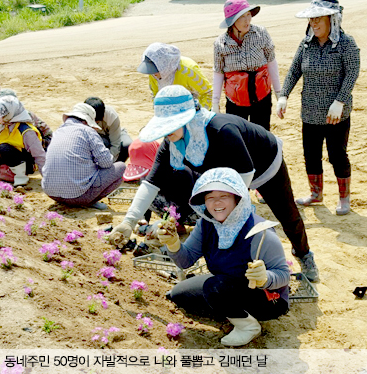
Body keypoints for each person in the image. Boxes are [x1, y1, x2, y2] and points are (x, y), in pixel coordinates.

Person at [110, 85, 319, 282]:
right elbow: (151, 183)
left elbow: (245, 173)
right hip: (223, 174)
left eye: (172, 125)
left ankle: (304, 254)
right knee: (216, 216)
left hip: (263, 165)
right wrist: (128, 222)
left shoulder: (222, 130)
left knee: (287, 214)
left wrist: (229, 208)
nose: (167, 132)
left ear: (189, 118)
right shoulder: (171, 142)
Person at [158, 167, 289, 346]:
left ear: (238, 198)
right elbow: (185, 260)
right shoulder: (206, 225)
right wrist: (173, 244)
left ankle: (247, 325)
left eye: (224, 196)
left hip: (266, 298)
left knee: (214, 288)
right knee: (179, 295)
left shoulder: (259, 231)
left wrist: (265, 278)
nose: (216, 203)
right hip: (227, 284)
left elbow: (283, 275)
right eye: (210, 197)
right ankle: (229, 307)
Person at [276, 0, 360, 216]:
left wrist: (340, 101)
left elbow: (352, 72)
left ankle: (344, 197)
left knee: (337, 155)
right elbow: (294, 70)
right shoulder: (306, 44)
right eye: (311, 19)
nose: (313, 23)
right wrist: (284, 95)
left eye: (318, 19)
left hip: (335, 114)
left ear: (331, 19)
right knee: (310, 154)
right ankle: (316, 193)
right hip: (310, 112)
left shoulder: (346, 43)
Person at [213, 0, 281, 132]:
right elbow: (218, 71)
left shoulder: (261, 33)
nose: (247, 20)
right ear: (232, 21)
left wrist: (279, 93)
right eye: (241, 16)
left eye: (248, 14)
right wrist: (215, 102)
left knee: (261, 137)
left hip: (262, 97)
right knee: (238, 139)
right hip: (235, 101)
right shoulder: (220, 44)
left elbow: (271, 61)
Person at [41, 103, 125, 210]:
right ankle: (90, 201)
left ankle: (83, 198)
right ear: (86, 121)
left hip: (51, 193)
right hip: (78, 196)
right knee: (121, 167)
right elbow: (107, 162)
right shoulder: (88, 131)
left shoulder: (58, 131)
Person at [0, 95, 45, 186]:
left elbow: (39, 155)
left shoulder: (26, 131)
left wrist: (47, 177)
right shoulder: (0, 123)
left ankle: (20, 176)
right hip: (5, 156)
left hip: (23, 163)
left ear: (9, 114)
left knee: (4, 148)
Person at [137, 42, 213, 110]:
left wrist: (200, 114)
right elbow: (156, 95)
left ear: (163, 66)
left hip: (194, 108)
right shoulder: (153, 73)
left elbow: (207, 92)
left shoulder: (188, 70)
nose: (153, 75)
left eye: (155, 70)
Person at [84, 97, 132, 162]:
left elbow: (115, 144)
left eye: (97, 122)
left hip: (114, 135)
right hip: (98, 138)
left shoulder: (112, 116)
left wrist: (109, 163)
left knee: (127, 144)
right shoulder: (81, 117)